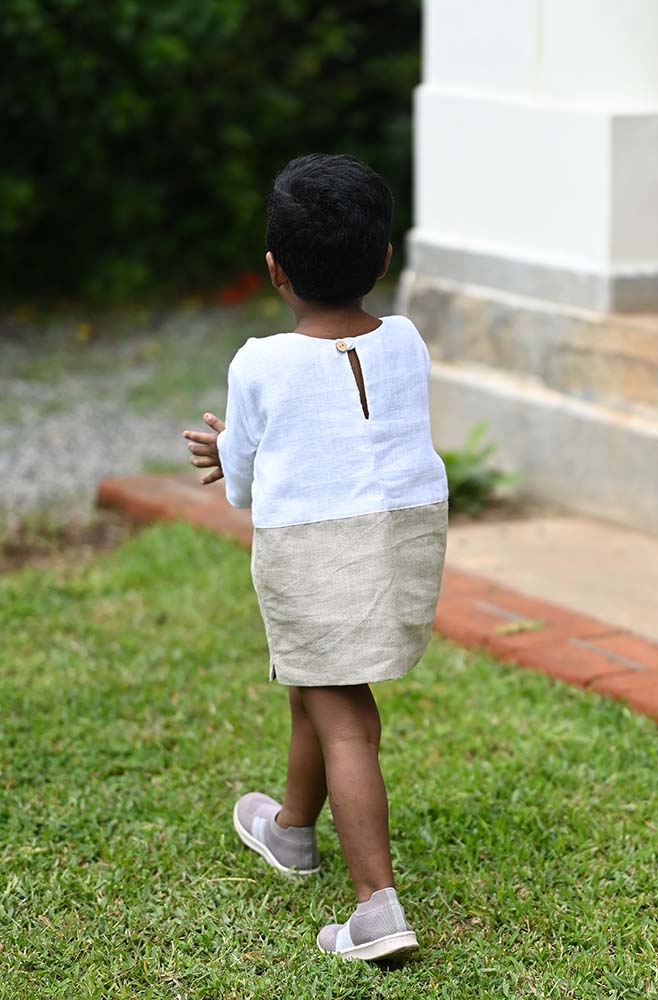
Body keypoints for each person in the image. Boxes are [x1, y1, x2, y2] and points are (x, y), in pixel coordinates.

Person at [182, 153, 448, 962]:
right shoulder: (406, 340)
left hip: (317, 551)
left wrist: (228, 453)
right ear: (384, 261)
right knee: (316, 682)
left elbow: (246, 488)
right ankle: (292, 830)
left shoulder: (258, 362)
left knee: (347, 719)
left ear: (275, 270)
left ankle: (376, 905)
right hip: (402, 546)